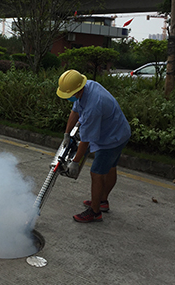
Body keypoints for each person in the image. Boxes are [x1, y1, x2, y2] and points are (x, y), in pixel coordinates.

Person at [56, 70, 131, 223]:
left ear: (77, 89)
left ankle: (95, 212)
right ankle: (102, 201)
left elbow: (86, 140)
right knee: (110, 168)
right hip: (119, 130)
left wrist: (75, 162)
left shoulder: (93, 106)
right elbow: (75, 112)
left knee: (96, 173)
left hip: (112, 138)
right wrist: (67, 133)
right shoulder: (87, 86)